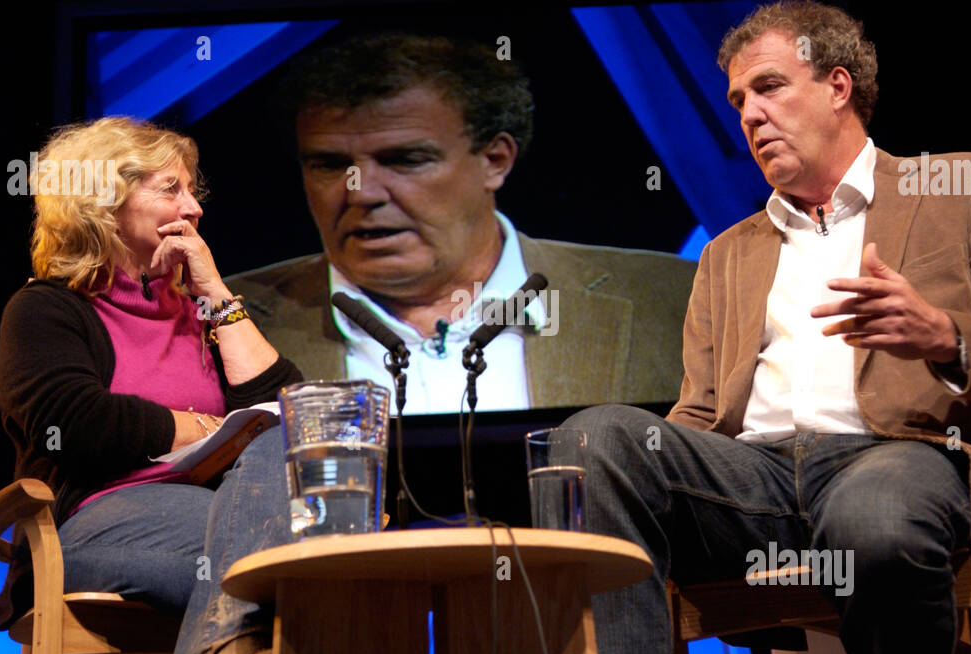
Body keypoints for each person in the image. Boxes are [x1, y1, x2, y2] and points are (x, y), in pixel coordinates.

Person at [567, 0, 971, 654]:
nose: (749, 114)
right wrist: (648, 469)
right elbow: (697, 414)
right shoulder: (726, 253)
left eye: (769, 87)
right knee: (598, 439)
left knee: (872, 511)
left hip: (900, 458)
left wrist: (943, 333)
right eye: (739, 101)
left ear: (839, 86)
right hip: (754, 482)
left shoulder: (967, 188)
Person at [0, 117, 304, 654]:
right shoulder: (46, 310)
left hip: (221, 515)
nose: (191, 208)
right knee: (290, 566)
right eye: (171, 189)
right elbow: (73, 421)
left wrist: (215, 292)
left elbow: (289, 410)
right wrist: (205, 427)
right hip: (93, 526)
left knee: (287, 470)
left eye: (193, 192)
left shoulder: (194, 312)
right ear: (104, 200)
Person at [226, 32, 698, 413]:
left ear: (495, 159)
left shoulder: (679, 299)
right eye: (329, 165)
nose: (362, 192)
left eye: (405, 159)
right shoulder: (218, 324)